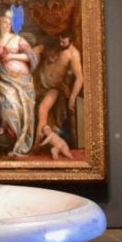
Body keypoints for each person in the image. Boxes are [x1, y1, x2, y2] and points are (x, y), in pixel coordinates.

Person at [0, 11, 39, 157]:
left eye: (9, 23)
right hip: (3, 80)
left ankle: (19, 141)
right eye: (4, 22)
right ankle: (9, 131)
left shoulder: (18, 39)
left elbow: (31, 57)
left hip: (23, 82)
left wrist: (11, 56)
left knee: (22, 110)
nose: (7, 25)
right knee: (9, 103)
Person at [35, 31, 83, 160]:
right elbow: (41, 48)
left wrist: (72, 97)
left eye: (64, 42)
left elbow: (79, 78)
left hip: (54, 88)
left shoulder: (74, 54)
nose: (61, 44)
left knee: (42, 109)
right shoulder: (56, 45)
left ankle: (36, 146)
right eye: (60, 40)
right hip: (38, 82)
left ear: (71, 42)